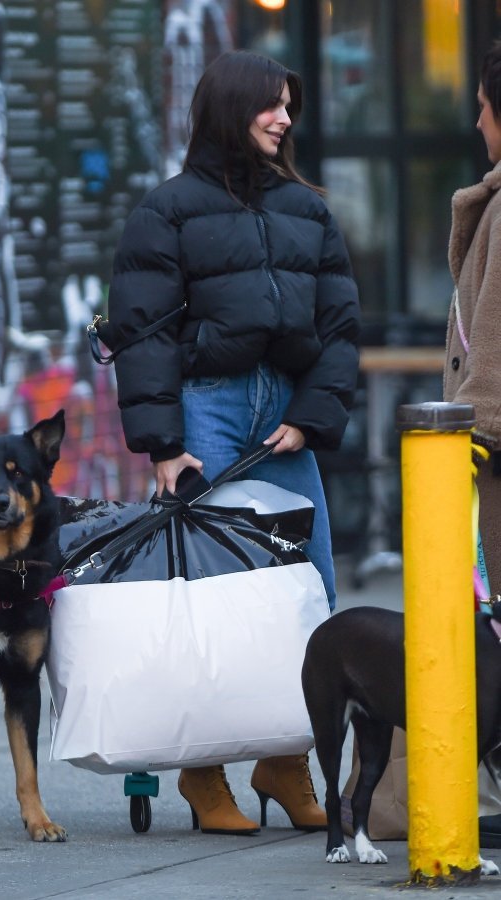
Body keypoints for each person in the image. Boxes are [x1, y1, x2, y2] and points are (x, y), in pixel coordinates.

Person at [107, 50, 360, 835]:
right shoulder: (168, 209)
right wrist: (163, 445)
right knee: (212, 596)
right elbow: (142, 328)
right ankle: (201, 770)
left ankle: (285, 762)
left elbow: (341, 325)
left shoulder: (306, 209)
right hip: (209, 409)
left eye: (290, 105)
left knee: (308, 592)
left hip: (285, 411)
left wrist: (313, 413)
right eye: (272, 105)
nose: (286, 118)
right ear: (231, 109)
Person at [444, 40, 501, 848]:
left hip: (491, 457)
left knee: (484, 615)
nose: (479, 122)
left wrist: (473, 435)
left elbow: (488, 338)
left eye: (486, 107)